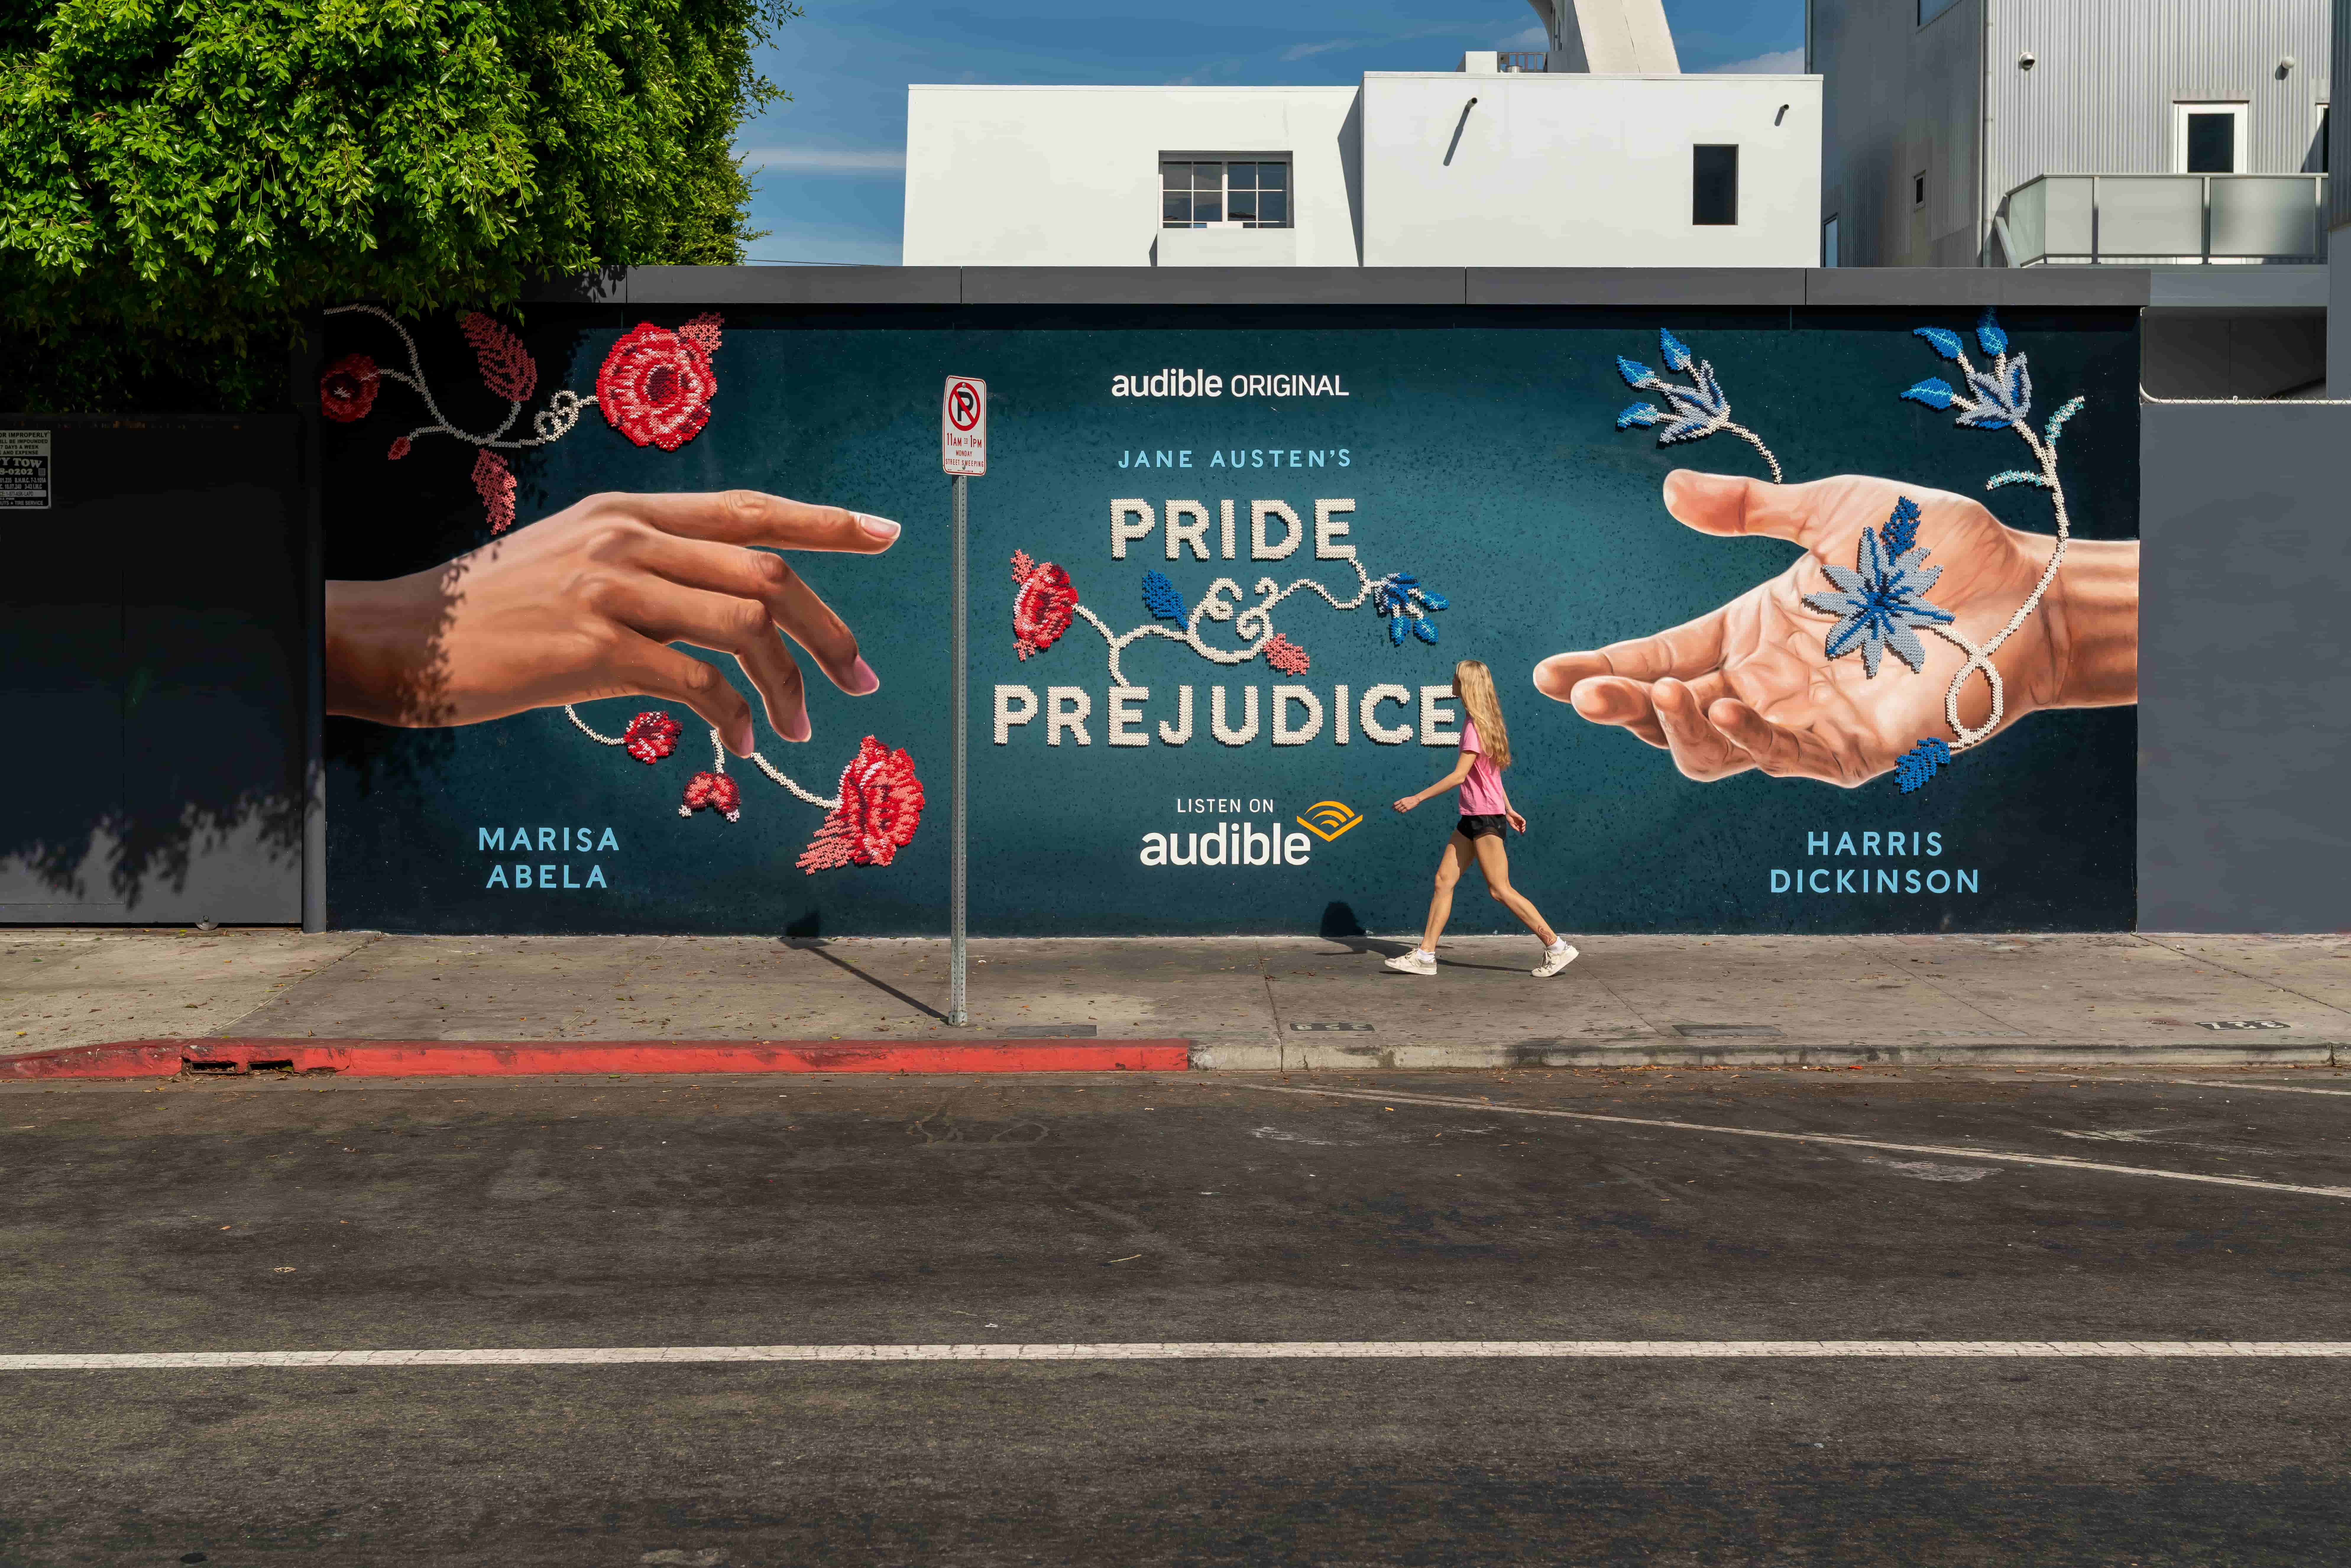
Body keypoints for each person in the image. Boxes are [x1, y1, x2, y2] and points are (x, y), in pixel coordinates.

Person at [1385, 659, 1578, 978]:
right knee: (1443, 881)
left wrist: (1416, 798)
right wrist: (1508, 808)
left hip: (1484, 817)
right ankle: (1425, 955)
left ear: (1466, 685)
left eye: (1456, 678)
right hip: (1476, 816)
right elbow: (1492, 777)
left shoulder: (1475, 726)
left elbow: (1461, 776)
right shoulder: (1482, 721)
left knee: (1500, 890)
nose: (1452, 681)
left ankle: (1556, 946)